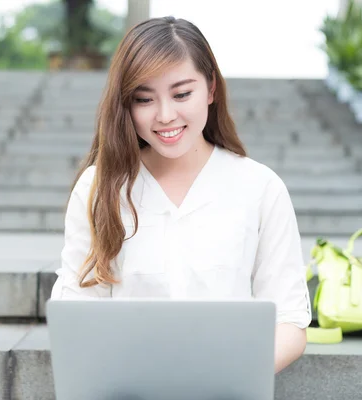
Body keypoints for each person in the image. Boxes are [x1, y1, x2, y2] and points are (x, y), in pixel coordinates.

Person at [51, 16, 311, 374]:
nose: (165, 116)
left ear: (211, 89)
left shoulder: (260, 186)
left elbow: (290, 320)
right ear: (125, 105)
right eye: (144, 99)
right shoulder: (99, 186)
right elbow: (76, 307)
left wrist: (228, 378)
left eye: (182, 94)